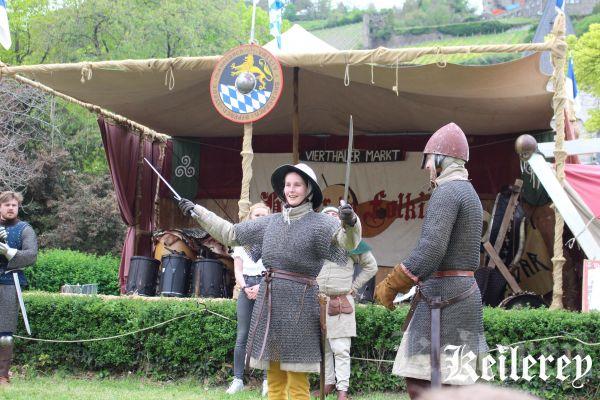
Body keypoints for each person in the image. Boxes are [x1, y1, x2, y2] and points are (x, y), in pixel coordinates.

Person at [178, 163, 361, 400]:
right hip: (270, 304)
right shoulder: (270, 222)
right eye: (287, 185)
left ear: (309, 190)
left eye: (297, 185)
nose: (291, 190)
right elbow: (231, 234)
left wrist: (351, 221)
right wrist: (198, 212)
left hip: (301, 306)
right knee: (274, 380)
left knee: (297, 383)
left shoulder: (322, 224)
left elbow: (349, 243)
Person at [374, 123, 488, 399]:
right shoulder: (468, 192)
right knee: (456, 385)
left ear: (441, 159)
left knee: (425, 386)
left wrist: (392, 284)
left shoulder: (447, 192)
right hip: (459, 296)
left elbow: (430, 251)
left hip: (444, 300)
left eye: (428, 160)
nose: (426, 167)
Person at [315, 206, 378, 400]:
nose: (330, 218)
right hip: (318, 301)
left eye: (334, 215)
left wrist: (354, 286)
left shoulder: (352, 242)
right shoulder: (316, 243)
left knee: (340, 348)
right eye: (326, 215)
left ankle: (342, 390)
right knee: (324, 348)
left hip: (341, 301)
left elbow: (371, 266)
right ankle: (327, 383)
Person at [227, 202, 270, 396]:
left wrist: (261, 286)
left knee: (266, 334)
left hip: (266, 284)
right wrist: (245, 287)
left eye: (264, 215)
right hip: (245, 286)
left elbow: (274, 268)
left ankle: (267, 381)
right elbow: (237, 269)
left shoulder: (272, 240)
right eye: (256, 215)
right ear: (250, 217)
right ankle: (238, 379)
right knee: (242, 335)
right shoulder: (242, 240)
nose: (260, 218)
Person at [0, 191, 38, 386]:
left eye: (13, 205)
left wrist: (10, 252)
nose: (10, 208)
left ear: (18, 207)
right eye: (7, 205)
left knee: (5, 335)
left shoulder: (25, 229)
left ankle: (2, 376)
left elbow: (31, 256)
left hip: (9, 282)